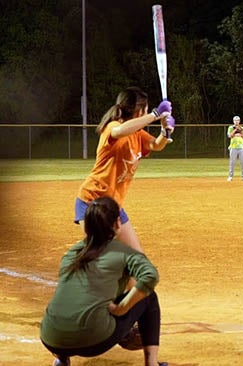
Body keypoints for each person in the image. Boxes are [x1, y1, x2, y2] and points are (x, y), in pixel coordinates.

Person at [41, 196, 166, 366]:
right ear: (117, 223)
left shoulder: (71, 254)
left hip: (50, 338)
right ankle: (152, 363)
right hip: (94, 341)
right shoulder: (123, 251)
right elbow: (150, 276)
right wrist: (123, 308)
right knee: (149, 297)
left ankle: (62, 361)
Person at [75, 87, 174, 252]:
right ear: (138, 111)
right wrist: (156, 115)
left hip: (114, 206)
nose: (147, 112)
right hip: (93, 202)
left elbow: (155, 145)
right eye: (146, 109)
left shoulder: (137, 134)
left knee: (135, 258)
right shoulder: (113, 126)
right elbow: (120, 131)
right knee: (103, 256)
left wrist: (165, 131)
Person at [227, 115, 243, 182]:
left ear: (239, 121)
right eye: (235, 120)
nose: (236, 121)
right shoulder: (231, 128)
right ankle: (230, 176)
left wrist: (240, 131)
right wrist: (235, 130)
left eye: (238, 120)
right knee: (232, 162)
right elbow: (230, 136)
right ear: (233, 121)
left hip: (241, 147)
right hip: (233, 147)